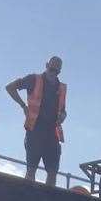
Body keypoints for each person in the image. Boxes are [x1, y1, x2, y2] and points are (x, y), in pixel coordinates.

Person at [6, 56, 67, 187]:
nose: (53, 73)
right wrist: (23, 106)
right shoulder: (34, 79)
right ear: (46, 65)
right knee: (31, 169)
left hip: (52, 133)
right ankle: (28, 195)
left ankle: (49, 199)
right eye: (51, 69)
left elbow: (63, 110)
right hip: (35, 130)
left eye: (56, 71)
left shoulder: (61, 88)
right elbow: (10, 87)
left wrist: (63, 115)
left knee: (52, 171)